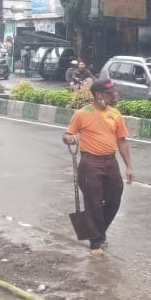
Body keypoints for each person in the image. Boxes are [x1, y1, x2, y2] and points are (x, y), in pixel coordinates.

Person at [61, 79, 133, 256]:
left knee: (114, 199)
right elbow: (68, 134)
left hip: (110, 161)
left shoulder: (115, 114)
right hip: (90, 162)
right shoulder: (82, 114)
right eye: (109, 93)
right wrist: (68, 138)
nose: (113, 96)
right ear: (99, 94)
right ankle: (96, 242)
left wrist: (129, 167)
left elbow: (122, 141)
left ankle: (98, 232)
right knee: (93, 203)